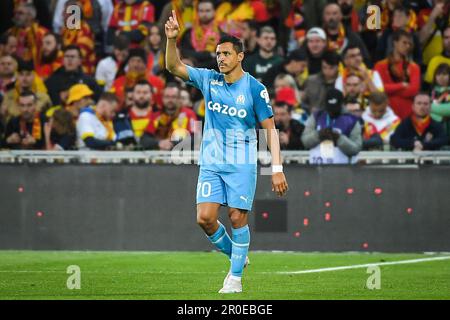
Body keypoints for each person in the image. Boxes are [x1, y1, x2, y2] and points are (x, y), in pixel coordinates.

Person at [164, 10, 288, 293]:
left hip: (242, 162)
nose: (220, 58)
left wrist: (277, 169)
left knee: (236, 217)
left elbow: (270, 129)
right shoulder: (209, 79)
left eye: (226, 54)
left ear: (240, 56)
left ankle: (234, 280)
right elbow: (174, 67)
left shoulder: (255, 89)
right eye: (218, 54)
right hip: (211, 161)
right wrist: (171, 39)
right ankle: (238, 256)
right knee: (204, 218)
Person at [301, 88, 362, 164]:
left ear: (341, 104)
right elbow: (305, 141)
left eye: (335, 108)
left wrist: (339, 138)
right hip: (317, 167)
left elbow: (356, 149)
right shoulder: (316, 117)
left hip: (343, 169)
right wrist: (319, 135)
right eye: (329, 108)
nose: (332, 111)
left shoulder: (352, 121)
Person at [374, 30, 421, 119]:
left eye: (409, 44)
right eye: (404, 43)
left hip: (408, 114)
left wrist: (391, 90)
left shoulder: (414, 67)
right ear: (395, 43)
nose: (407, 46)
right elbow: (380, 88)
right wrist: (401, 85)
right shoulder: (380, 65)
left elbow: (413, 90)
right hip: (386, 113)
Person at [141, 83, 198, 150]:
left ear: (179, 98)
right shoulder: (156, 116)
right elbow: (144, 139)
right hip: (160, 157)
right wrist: (159, 143)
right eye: (167, 97)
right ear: (162, 98)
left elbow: (197, 138)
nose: (170, 100)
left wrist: (172, 143)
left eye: (173, 97)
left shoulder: (191, 114)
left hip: (183, 156)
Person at [179, 0, 222, 70]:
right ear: (197, 13)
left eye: (207, 11)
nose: (204, 14)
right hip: (192, 74)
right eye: (201, 11)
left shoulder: (221, 34)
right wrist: (209, 55)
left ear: (214, 12)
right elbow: (185, 53)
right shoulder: (188, 34)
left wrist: (197, 65)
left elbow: (219, 60)